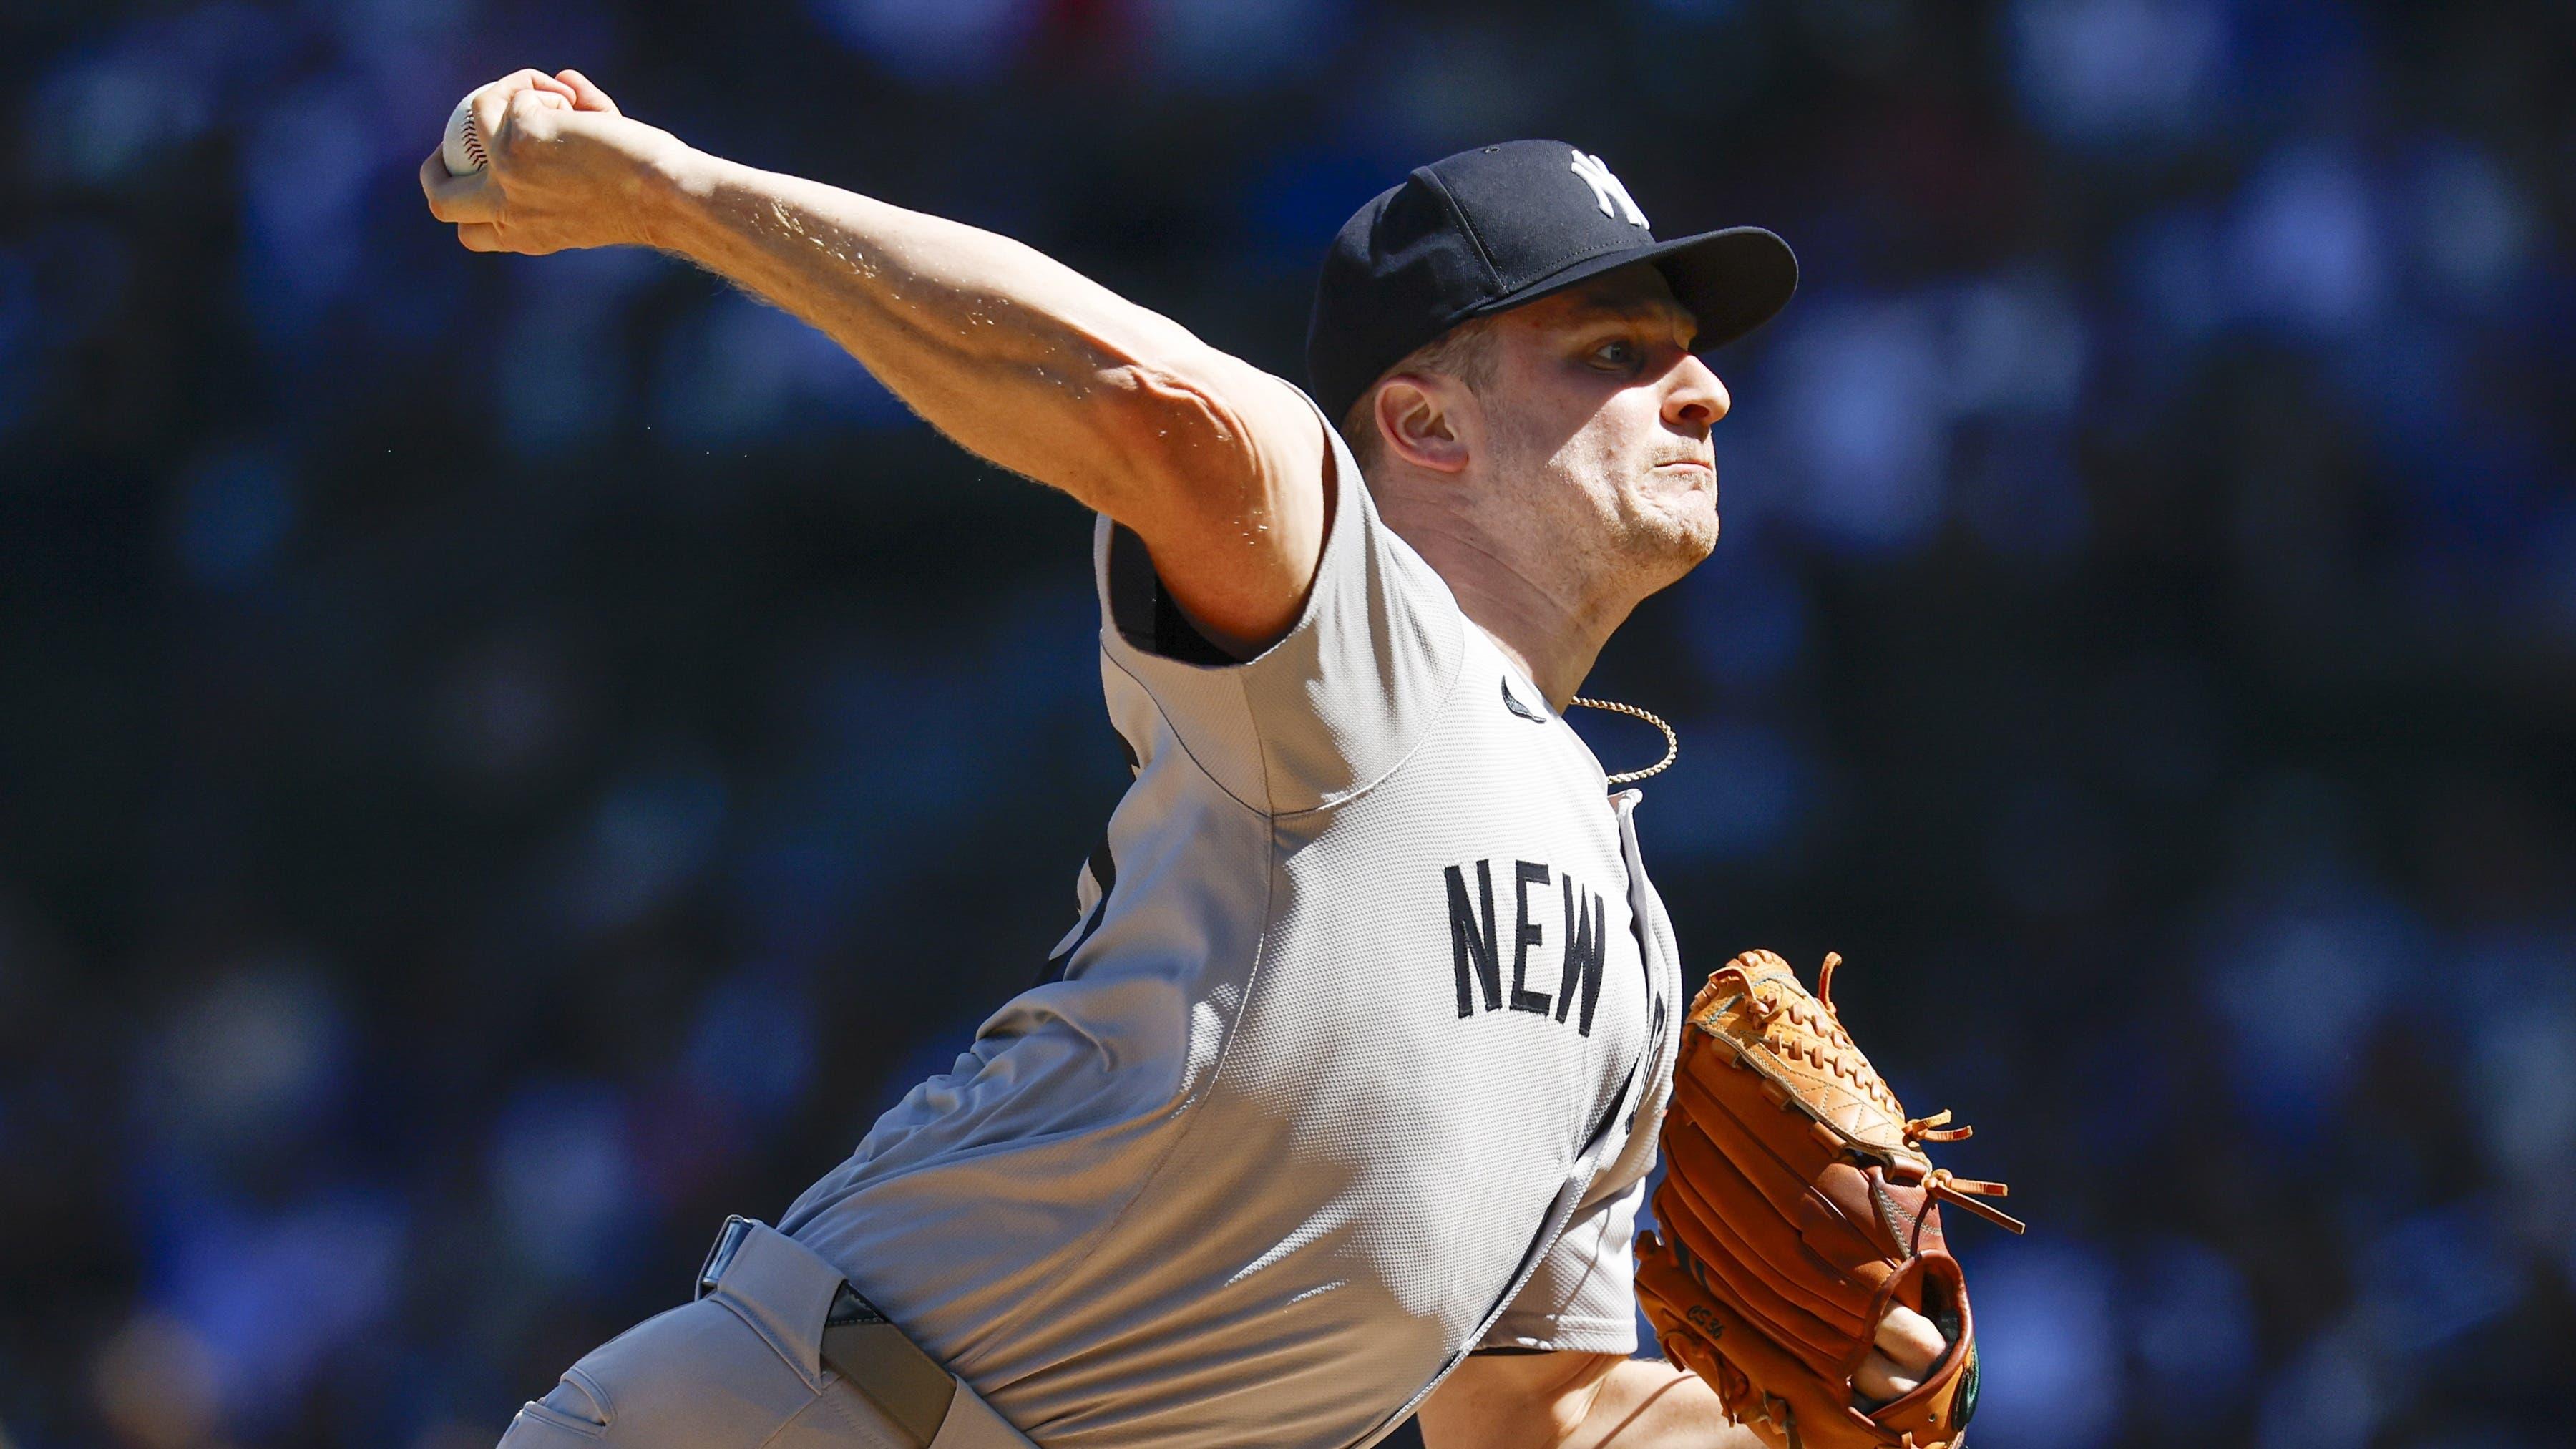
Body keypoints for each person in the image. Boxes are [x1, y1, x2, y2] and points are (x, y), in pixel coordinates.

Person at [425, 68, 1951, 1449]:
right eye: (1614, 351)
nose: (1706, 390)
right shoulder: (1362, 630)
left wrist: (1814, 1427)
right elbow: (1147, 402)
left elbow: (1541, 1407)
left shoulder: (1627, 939)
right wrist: (674, 191)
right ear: (1421, 421)